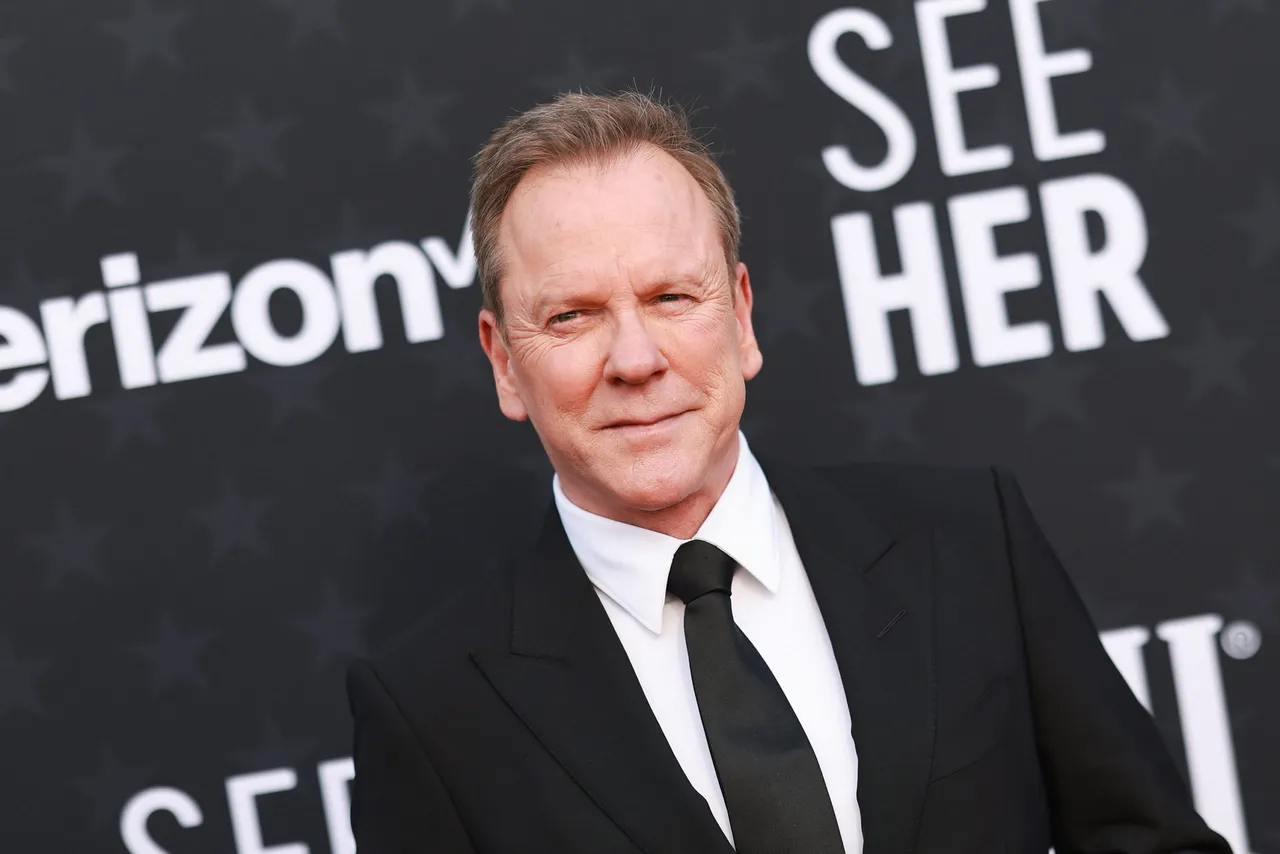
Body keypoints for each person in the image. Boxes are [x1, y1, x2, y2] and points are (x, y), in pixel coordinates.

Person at [345, 90, 1230, 854]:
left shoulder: (968, 544)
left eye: (670, 297)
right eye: (572, 316)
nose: (636, 359)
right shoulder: (429, 710)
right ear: (504, 362)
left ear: (740, 316)